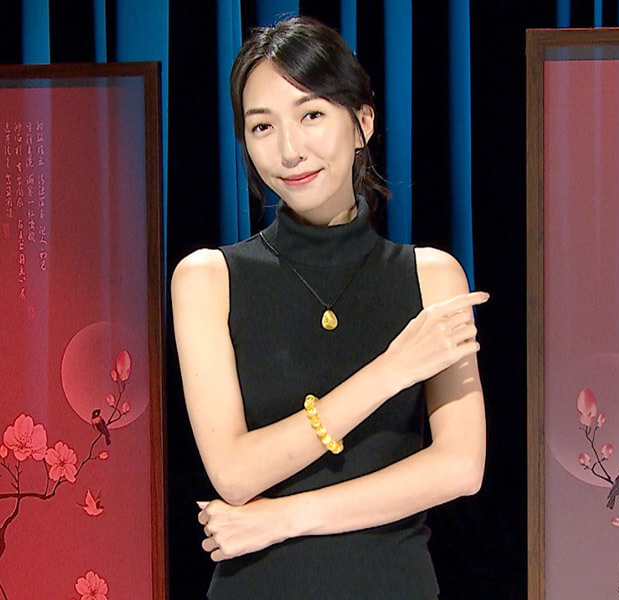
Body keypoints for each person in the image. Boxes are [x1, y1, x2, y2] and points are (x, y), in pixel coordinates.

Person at [171, 16, 487, 600]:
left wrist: (281, 518)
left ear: (362, 122)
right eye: (262, 126)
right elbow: (235, 474)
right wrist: (390, 371)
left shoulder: (432, 276)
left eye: (311, 115)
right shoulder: (208, 279)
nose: (290, 150)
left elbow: (460, 467)